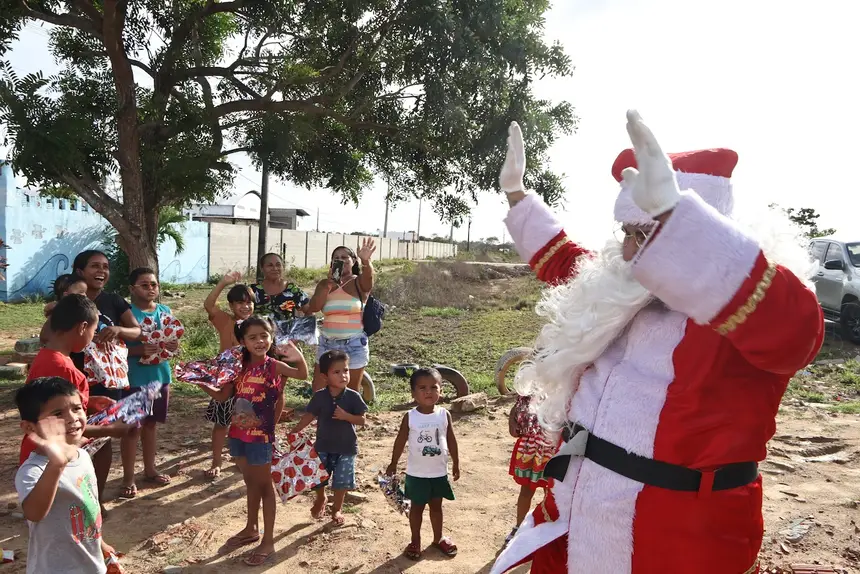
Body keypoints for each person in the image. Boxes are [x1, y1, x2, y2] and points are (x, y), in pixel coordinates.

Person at [491, 111, 824, 574]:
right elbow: (564, 261)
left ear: (700, 232)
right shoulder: (619, 289)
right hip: (576, 510)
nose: (628, 251)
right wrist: (517, 194)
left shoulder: (748, 304)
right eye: (626, 233)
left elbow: (795, 334)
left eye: (646, 234)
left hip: (678, 538)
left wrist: (676, 219)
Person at [199, 317, 308, 567]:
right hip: (237, 435)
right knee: (250, 483)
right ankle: (251, 528)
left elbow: (301, 374)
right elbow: (223, 394)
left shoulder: (274, 366)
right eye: (252, 337)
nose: (259, 341)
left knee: (264, 487)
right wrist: (200, 381)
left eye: (264, 336)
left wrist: (296, 353)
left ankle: (268, 541)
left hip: (261, 438)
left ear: (271, 338)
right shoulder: (238, 367)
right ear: (242, 342)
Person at [22, 294, 129, 513]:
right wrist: (111, 430)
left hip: (43, 452)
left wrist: (89, 401)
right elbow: (59, 425)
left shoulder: (49, 357)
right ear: (82, 327)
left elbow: (55, 405)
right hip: (51, 456)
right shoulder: (64, 368)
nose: (93, 336)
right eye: (94, 330)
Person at [15, 376, 119, 574]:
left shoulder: (83, 457)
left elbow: (88, 508)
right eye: (57, 413)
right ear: (30, 427)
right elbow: (34, 514)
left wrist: (101, 544)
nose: (72, 418)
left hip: (91, 564)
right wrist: (56, 465)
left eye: (76, 408)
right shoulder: (32, 471)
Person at [386, 368, 460, 561]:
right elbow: (400, 441)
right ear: (413, 393)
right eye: (422, 388)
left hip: (438, 473)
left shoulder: (444, 415)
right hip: (416, 474)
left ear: (441, 390)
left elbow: (451, 440)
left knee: (437, 508)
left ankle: (438, 538)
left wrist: (456, 463)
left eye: (433, 387)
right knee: (416, 509)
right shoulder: (410, 417)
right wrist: (393, 463)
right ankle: (415, 541)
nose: (428, 392)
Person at [291, 350, 368, 526]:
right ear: (325, 377)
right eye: (337, 372)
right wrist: (295, 430)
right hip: (323, 446)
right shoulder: (320, 396)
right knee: (318, 478)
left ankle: (337, 509)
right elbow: (309, 416)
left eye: (346, 370)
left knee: (341, 482)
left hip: (346, 447)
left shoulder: (353, 396)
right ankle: (321, 498)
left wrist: (346, 416)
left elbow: (362, 420)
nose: (343, 375)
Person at [120, 267, 177, 498]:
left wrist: (172, 347)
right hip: (134, 379)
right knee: (132, 428)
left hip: (160, 377)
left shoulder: (164, 311)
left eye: (154, 284)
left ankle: (150, 469)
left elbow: (172, 341)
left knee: (151, 425)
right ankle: (128, 477)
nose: (151, 288)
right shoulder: (126, 314)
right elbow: (116, 349)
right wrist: (137, 351)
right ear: (132, 289)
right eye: (144, 285)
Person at [304, 240, 376, 393]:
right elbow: (314, 308)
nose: (340, 261)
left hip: (354, 344)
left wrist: (366, 260)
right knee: (319, 390)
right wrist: (328, 285)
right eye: (336, 258)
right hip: (327, 344)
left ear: (353, 261)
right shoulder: (324, 284)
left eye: (345, 257)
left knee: (350, 392)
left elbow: (369, 280)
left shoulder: (358, 282)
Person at [202, 271, 255, 479]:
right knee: (222, 423)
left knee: (245, 422)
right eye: (240, 303)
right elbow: (208, 304)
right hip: (227, 380)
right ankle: (216, 462)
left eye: (249, 302)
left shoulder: (257, 325)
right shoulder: (225, 321)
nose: (246, 307)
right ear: (232, 306)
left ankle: (240, 458)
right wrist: (223, 282)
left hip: (250, 382)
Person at [70, 250, 142, 392]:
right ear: (79, 272)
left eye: (105, 267)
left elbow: (137, 331)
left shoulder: (114, 300)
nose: (101, 271)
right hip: (77, 375)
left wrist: (118, 330)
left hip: (110, 378)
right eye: (95, 266)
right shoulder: (70, 302)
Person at [504, 394, 558, 548]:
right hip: (529, 448)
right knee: (526, 491)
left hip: (552, 449)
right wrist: (512, 420)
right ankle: (519, 527)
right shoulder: (529, 386)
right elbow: (517, 406)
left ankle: (550, 531)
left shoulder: (564, 385)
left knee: (552, 493)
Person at [39, 274, 88, 344]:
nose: (85, 296)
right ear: (66, 295)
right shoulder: (59, 312)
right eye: (81, 292)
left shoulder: (83, 310)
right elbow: (44, 337)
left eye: (85, 292)